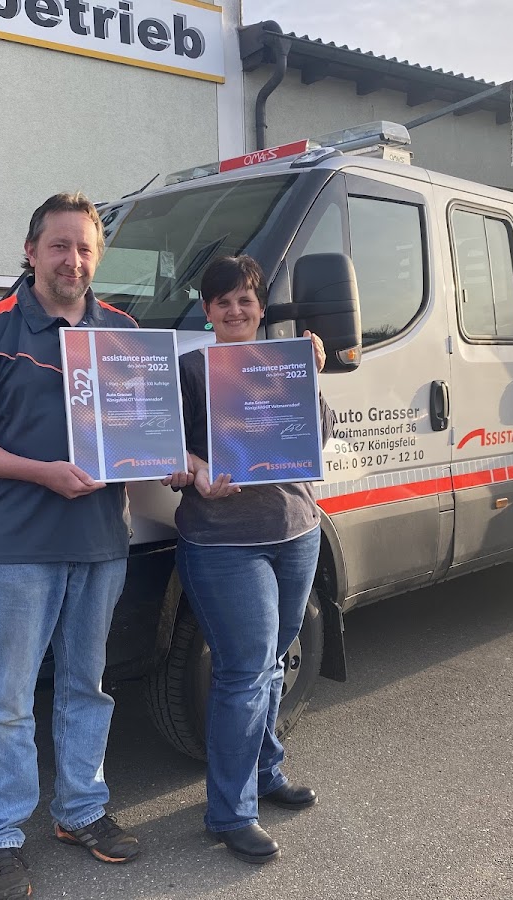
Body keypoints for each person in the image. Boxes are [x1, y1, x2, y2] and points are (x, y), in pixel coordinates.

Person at [0, 192, 140, 900]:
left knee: (88, 685)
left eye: (85, 248)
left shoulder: (123, 332)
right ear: (31, 252)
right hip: (21, 542)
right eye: (59, 246)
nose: (72, 260)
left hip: (101, 541)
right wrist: (43, 473)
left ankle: (81, 810)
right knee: (11, 696)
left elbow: (144, 426)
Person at [164, 254, 334, 865]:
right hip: (222, 542)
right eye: (223, 301)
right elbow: (161, 446)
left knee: (270, 665)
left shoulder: (286, 363)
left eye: (245, 300)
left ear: (260, 307)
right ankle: (230, 814)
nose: (235, 310)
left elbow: (317, 435)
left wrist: (310, 378)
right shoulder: (189, 370)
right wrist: (194, 471)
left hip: (296, 530)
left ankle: (265, 773)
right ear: (207, 311)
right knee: (243, 671)